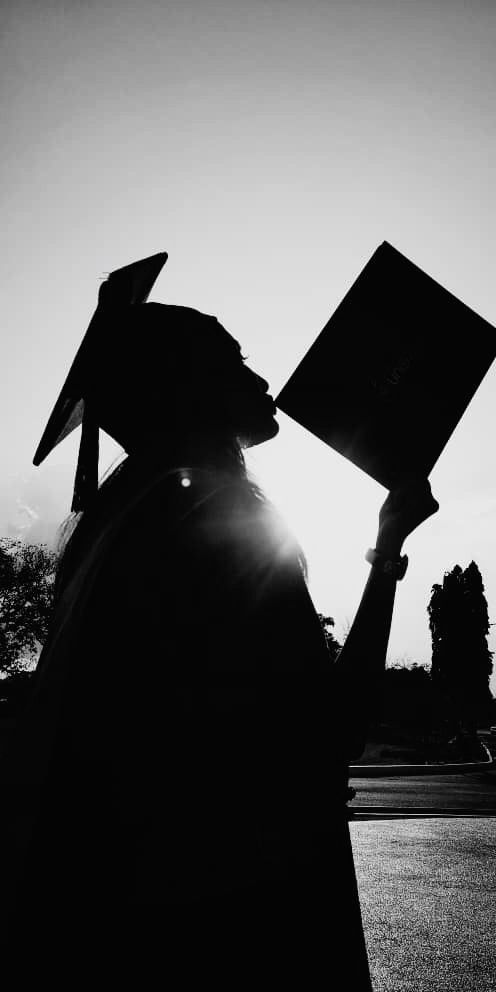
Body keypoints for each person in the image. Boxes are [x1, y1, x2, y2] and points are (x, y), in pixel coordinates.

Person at [5, 256, 438, 980]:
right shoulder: (220, 514)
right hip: (253, 921)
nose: (261, 378)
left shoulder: (120, 529)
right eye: (234, 360)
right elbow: (332, 729)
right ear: (189, 386)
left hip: (154, 922)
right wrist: (388, 548)